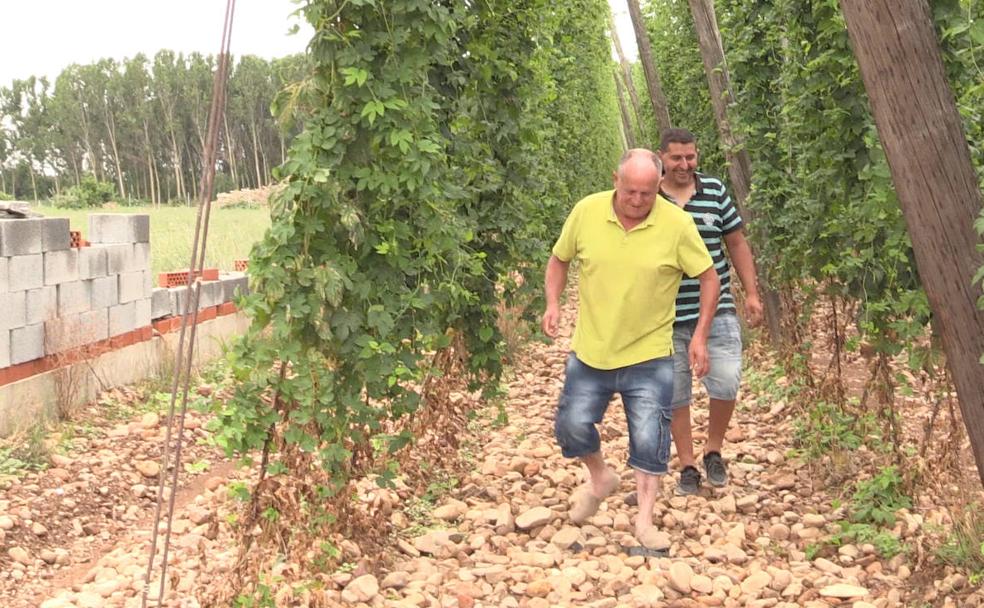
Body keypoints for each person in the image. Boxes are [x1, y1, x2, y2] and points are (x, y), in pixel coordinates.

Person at [542, 148, 719, 549]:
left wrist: (700, 335)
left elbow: (709, 278)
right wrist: (552, 303)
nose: (638, 201)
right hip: (592, 348)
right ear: (615, 181)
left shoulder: (676, 224)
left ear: (659, 186)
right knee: (570, 426)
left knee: (650, 438)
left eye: (647, 193)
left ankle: (644, 521)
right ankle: (600, 476)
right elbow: (558, 260)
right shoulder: (586, 212)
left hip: (650, 352)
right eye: (630, 192)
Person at [657, 128, 763, 495]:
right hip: (665, 315)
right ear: (662, 159)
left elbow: (735, 241)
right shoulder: (648, 198)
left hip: (716, 309)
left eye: (691, 157)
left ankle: (713, 449)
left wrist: (751, 292)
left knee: (728, 378)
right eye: (677, 158)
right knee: (674, 391)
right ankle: (687, 464)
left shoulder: (715, 191)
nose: (685, 164)